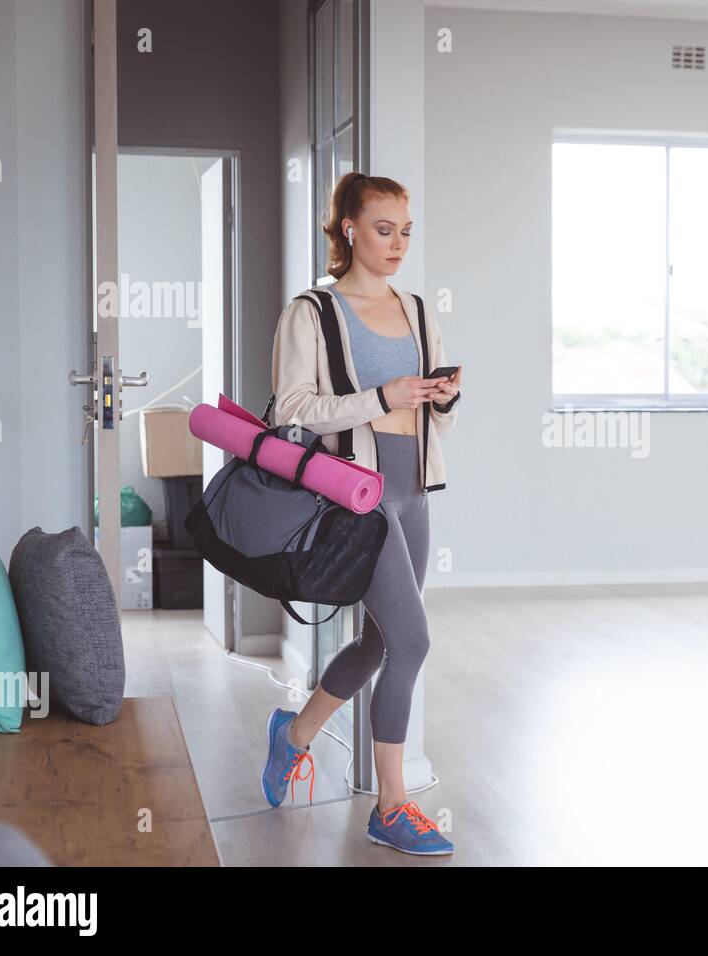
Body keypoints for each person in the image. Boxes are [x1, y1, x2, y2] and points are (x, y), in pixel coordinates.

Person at [259, 172, 462, 856]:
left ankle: (293, 733)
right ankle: (391, 806)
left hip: (414, 493)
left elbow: (422, 408)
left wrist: (438, 396)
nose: (398, 243)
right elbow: (292, 413)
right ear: (350, 229)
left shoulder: (418, 309)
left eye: (406, 230)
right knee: (412, 642)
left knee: (380, 642)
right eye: (384, 229)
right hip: (359, 502)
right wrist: (383, 395)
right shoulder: (310, 313)